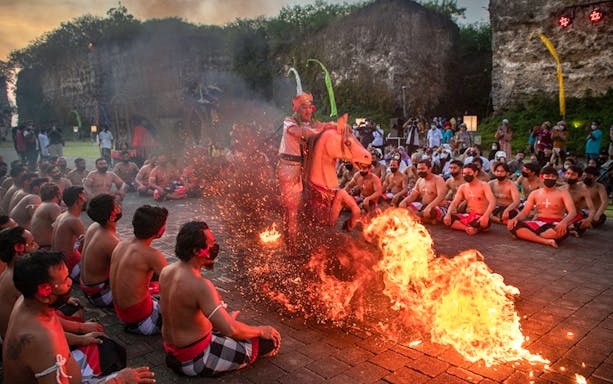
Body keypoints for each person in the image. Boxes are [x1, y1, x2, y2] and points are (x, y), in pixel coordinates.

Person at [3, 250, 156, 383]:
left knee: (105, 345)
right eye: (64, 281)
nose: (70, 283)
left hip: (68, 369)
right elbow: (49, 343)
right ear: (44, 293)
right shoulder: (42, 342)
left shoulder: (28, 301)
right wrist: (119, 380)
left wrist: (82, 337)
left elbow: (56, 331)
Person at [160, 221, 280, 377]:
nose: (215, 248)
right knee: (268, 342)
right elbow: (231, 330)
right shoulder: (200, 285)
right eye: (211, 244)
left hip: (174, 352)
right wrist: (261, 330)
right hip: (196, 359)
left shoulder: (166, 270)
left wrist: (225, 322)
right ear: (197, 251)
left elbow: (186, 312)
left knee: (228, 323)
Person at [110, 205, 168, 335]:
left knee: (156, 287)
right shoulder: (152, 255)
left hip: (123, 314)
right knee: (188, 303)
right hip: (142, 320)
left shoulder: (121, 244)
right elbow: (174, 285)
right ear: (159, 231)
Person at [276, 92, 323, 236]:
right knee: (291, 209)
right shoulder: (289, 121)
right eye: (304, 108)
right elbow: (297, 132)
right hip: (288, 168)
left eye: (310, 107)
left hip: (304, 169)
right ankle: (292, 244)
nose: (308, 111)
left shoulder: (312, 124)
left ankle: (296, 236)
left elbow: (322, 128)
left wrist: (333, 127)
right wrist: (317, 131)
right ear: (297, 109)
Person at [507, 166, 576, 247]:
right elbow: (525, 212)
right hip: (538, 222)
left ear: (556, 178)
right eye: (547, 176)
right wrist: (515, 219)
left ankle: (527, 235)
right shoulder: (535, 193)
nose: (550, 178)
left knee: (561, 231)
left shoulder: (563, 193)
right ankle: (545, 241)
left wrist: (564, 222)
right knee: (512, 226)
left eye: (553, 177)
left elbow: (572, 212)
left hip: (555, 223)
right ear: (541, 177)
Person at [80, 194, 122, 307]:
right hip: (101, 294)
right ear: (112, 216)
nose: (120, 207)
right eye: (117, 206)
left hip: (88, 288)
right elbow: (125, 272)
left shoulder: (94, 226)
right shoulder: (110, 240)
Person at [0, 227, 40, 339]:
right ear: (19, 250)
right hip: (19, 342)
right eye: (32, 244)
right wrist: (81, 331)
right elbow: (42, 323)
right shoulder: (18, 280)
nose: (37, 246)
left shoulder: (9, 270)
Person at [444, 163, 496, 235]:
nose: (466, 175)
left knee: (483, 223)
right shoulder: (463, 187)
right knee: (448, 219)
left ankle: (470, 227)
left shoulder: (484, 185)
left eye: (469, 173)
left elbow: (492, 201)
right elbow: (455, 202)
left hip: (481, 216)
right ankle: (467, 228)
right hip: (468, 215)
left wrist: (486, 216)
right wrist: (448, 214)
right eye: (464, 173)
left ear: (475, 173)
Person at [51, 186, 87, 279]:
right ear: (78, 200)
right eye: (84, 196)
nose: (86, 199)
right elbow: (85, 245)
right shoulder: (73, 220)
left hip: (58, 260)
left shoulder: (62, 215)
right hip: (69, 265)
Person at [399, 159, 447, 224]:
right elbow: (413, 195)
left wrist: (429, 207)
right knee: (407, 208)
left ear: (430, 169)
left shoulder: (438, 179)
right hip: (423, 206)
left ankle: (417, 217)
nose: (420, 171)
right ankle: (425, 220)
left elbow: (441, 196)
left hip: (436, 207)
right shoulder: (420, 180)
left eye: (422, 169)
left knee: (430, 212)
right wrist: (404, 201)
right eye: (418, 169)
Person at [561, 165, 595, 237]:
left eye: (573, 174)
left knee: (581, 225)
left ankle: (570, 228)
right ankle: (569, 229)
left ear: (579, 178)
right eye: (568, 173)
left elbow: (592, 209)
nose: (569, 176)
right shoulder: (560, 189)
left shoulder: (583, 192)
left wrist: (589, 219)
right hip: (561, 216)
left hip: (576, 217)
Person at [30, 182, 62, 249]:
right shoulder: (53, 206)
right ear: (58, 193)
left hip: (38, 245)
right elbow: (60, 229)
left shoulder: (43, 204)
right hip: (46, 247)